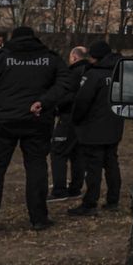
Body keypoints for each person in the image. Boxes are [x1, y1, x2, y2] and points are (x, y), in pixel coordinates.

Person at [0, 26, 73, 233]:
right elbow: (67, 82)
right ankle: (39, 219)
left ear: (12, 39)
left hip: (3, 121)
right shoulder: (49, 58)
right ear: (34, 38)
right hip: (37, 120)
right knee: (36, 166)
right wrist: (44, 101)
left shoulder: (0, 57)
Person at [67, 40, 125, 216]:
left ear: (95, 57)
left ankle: (90, 203)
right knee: (112, 164)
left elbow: (82, 101)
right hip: (114, 126)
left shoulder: (94, 75)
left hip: (93, 130)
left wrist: (75, 120)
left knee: (93, 167)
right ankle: (112, 200)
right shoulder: (120, 72)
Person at [49, 46, 90, 201]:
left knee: (58, 152)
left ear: (74, 57)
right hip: (84, 120)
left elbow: (67, 95)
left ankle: (59, 190)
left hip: (68, 118)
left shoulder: (72, 73)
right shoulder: (90, 72)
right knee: (77, 153)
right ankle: (75, 188)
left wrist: (56, 106)